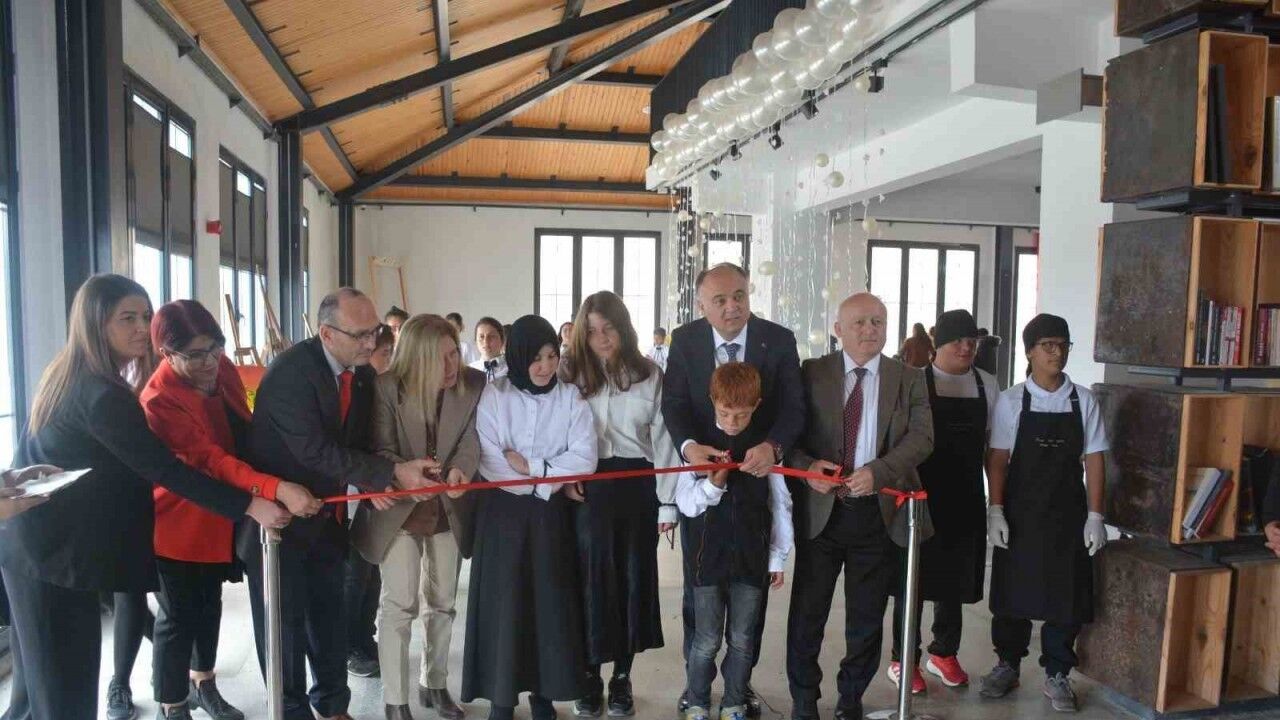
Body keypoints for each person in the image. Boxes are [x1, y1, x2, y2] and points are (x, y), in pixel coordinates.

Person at [0, 274, 292, 720]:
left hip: (35, 550)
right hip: (54, 560)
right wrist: (252, 503)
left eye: (145, 315)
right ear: (96, 323)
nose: (142, 327)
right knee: (63, 696)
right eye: (127, 318)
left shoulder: (73, 374)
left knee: (33, 696)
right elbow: (165, 468)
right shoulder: (105, 394)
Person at [238, 287, 437, 720]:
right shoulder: (291, 375)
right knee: (283, 628)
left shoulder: (359, 375)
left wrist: (377, 480)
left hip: (327, 518)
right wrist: (388, 473)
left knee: (329, 618)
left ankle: (332, 705)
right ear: (327, 334)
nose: (371, 342)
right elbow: (316, 451)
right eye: (361, 334)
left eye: (375, 332)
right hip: (277, 522)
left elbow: (358, 442)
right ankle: (290, 711)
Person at [141, 299, 322, 720]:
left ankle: (203, 682)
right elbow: (211, 459)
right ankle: (172, 703)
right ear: (166, 353)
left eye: (215, 347)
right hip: (177, 522)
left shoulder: (219, 368)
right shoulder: (159, 399)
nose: (210, 361)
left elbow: (243, 428)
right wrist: (270, 490)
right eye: (195, 355)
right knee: (177, 617)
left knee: (210, 605)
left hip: (221, 514)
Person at [662, 262, 804, 719]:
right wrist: (689, 448)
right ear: (701, 304)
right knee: (699, 605)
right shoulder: (685, 341)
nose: (732, 307)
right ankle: (696, 691)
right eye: (720, 300)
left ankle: (738, 692)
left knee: (747, 612)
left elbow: (794, 407)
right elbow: (674, 404)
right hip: (701, 490)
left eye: (739, 295)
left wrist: (773, 446)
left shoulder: (777, 340)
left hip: (758, 490)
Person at [785, 292, 934, 720]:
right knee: (807, 614)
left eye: (878, 322)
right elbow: (788, 436)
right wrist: (807, 468)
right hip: (822, 514)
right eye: (860, 323)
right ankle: (804, 699)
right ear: (838, 330)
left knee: (866, 618)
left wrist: (880, 471)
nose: (870, 330)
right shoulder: (813, 372)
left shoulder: (908, 377)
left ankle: (850, 698)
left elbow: (923, 438)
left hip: (877, 514)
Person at [462, 315, 597, 720]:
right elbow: (490, 460)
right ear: (518, 356)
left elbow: (585, 457)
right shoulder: (495, 395)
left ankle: (544, 695)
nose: (545, 366)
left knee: (548, 606)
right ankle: (501, 698)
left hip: (550, 520)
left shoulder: (570, 398)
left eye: (552, 356)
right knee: (504, 606)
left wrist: (534, 469)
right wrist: (545, 482)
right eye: (536, 358)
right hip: (502, 515)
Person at [352, 314, 483, 720]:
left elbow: (472, 438)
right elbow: (379, 448)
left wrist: (460, 469)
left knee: (442, 602)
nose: (450, 366)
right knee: (399, 604)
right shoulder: (387, 387)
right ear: (416, 359)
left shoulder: (474, 384)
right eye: (439, 358)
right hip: (399, 506)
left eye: (454, 354)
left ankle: (435, 684)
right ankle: (396, 700)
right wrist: (405, 473)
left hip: (448, 505)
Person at [980, 313, 1109, 713]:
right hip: (1020, 514)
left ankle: (1057, 673)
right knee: (1011, 595)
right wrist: (995, 510)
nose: (1057, 353)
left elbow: (1095, 459)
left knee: (1066, 597)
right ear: (1030, 352)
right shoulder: (1012, 400)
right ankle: (1007, 663)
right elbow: (997, 459)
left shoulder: (1083, 400)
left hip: (1067, 515)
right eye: (1048, 345)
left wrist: (1095, 516)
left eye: (1063, 345)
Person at [560, 292, 680, 718]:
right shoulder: (570, 374)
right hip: (587, 488)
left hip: (637, 487)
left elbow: (664, 440)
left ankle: (622, 678)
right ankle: (590, 676)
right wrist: (564, 476)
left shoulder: (649, 374)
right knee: (590, 584)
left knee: (632, 582)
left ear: (623, 327)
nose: (601, 338)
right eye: (592, 331)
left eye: (608, 328)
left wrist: (668, 504)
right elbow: (555, 431)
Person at [886, 309, 997, 694]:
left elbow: (993, 447)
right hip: (921, 495)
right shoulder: (915, 381)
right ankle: (903, 658)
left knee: (955, 578)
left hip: (966, 495)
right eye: (957, 341)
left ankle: (944, 652)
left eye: (971, 341)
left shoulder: (987, 384)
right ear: (939, 344)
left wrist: (996, 503)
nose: (966, 347)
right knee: (913, 580)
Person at [676, 362, 793, 720]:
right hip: (706, 562)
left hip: (750, 560)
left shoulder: (764, 448)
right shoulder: (697, 446)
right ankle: (697, 700)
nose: (732, 422)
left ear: (756, 405)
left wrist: (778, 556)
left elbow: (780, 502)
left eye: (741, 415)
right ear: (712, 400)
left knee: (742, 639)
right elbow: (686, 502)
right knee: (706, 639)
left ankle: (734, 702)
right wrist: (714, 484)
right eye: (725, 413)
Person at [345, 322, 396, 679]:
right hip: (353, 495)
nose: (388, 360)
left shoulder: (379, 388)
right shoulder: (357, 388)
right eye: (384, 353)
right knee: (353, 576)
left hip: (375, 497)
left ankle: (365, 636)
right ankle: (349, 645)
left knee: (370, 575)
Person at [469, 316, 508, 382]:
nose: (486, 341)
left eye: (492, 336)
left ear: (502, 340)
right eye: (481, 337)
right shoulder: (469, 371)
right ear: (476, 341)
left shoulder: (513, 369)